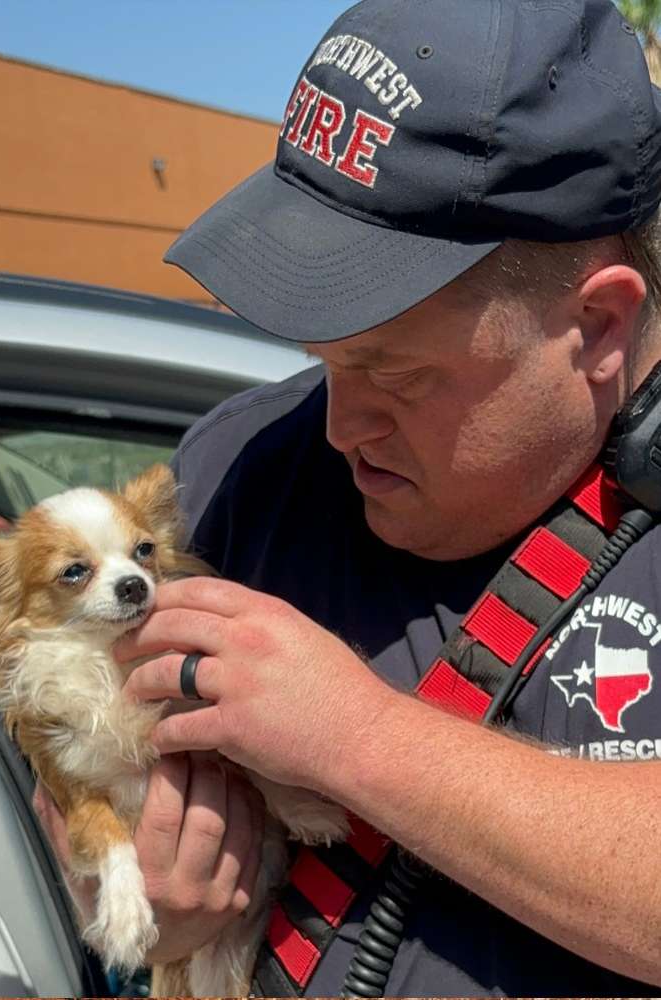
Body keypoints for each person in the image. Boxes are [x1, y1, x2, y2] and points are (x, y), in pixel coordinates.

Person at [35, 0, 661, 994]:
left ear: (597, 324)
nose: (337, 424)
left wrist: (357, 740)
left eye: (397, 374)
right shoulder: (240, 469)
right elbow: (63, 741)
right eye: (322, 359)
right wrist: (127, 886)